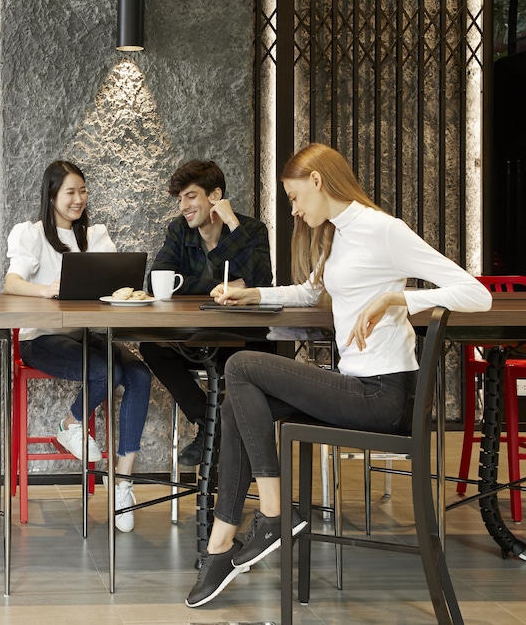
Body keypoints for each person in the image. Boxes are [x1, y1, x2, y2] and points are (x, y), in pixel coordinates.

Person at [184, 143, 492, 608]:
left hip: (384, 396)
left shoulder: (383, 230)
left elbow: (475, 292)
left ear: (317, 181)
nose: (293, 208)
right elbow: (314, 293)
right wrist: (254, 296)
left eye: (294, 197)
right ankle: (220, 546)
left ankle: (272, 514)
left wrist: (399, 300)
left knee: (242, 364)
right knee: (237, 400)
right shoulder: (338, 234)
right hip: (357, 385)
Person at [4, 160, 152, 533]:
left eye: (83, 191)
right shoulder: (31, 234)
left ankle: (122, 483)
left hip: (89, 335)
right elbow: (12, 283)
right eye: (70, 192)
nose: (79, 199)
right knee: (106, 370)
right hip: (41, 338)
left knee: (138, 374)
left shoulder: (96, 236)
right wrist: (46, 288)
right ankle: (70, 424)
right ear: (52, 195)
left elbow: (113, 282)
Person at [139, 159, 272, 466]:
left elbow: (262, 282)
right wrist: (221, 285)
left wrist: (234, 229)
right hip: (196, 339)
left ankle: (223, 436)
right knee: (152, 348)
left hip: (243, 340)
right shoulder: (180, 232)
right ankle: (212, 426)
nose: (183, 206)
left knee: (250, 361)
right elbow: (158, 280)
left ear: (215, 196)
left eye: (190, 196)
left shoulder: (251, 229)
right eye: (180, 198)